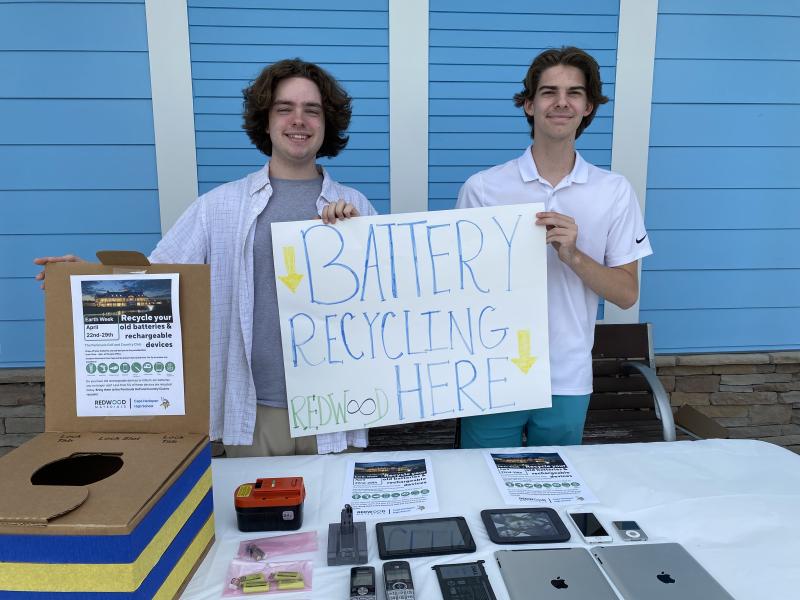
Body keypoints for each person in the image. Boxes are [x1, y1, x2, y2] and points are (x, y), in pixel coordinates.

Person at [35, 58, 377, 457]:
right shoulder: (218, 207)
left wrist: (358, 240)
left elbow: (391, 304)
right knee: (257, 518)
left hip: (336, 405)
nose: (298, 120)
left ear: (326, 123)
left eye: (311, 110)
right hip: (253, 409)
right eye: (284, 108)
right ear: (266, 122)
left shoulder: (355, 207)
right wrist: (88, 281)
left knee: (336, 516)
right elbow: (156, 279)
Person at [456, 46, 652, 448]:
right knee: (479, 489)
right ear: (529, 105)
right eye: (548, 92)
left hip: (566, 376)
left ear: (588, 107)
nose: (561, 102)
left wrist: (574, 256)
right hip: (492, 374)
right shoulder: (483, 188)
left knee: (556, 496)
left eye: (574, 93)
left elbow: (627, 295)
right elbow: (458, 287)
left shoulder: (613, 191)